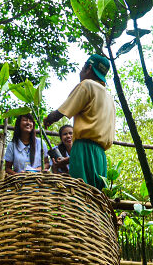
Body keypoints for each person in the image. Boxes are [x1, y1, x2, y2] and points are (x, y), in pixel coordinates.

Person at [43, 54, 115, 190]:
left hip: (82, 148)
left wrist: (48, 119)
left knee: (79, 194)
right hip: (100, 156)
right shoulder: (109, 98)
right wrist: (67, 160)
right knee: (96, 197)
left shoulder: (87, 85)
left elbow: (61, 112)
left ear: (88, 68)